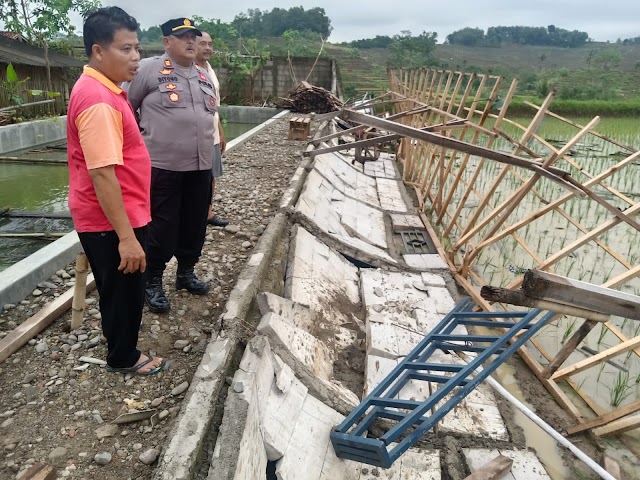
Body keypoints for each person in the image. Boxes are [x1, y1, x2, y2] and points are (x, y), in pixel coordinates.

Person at [67, 6, 164, 375]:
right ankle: (124, 357)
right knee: (125, 287)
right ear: (98, 51)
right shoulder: (100, 101)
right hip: (111, 217)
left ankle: (116, 340)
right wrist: (126, 237)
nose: (136, 57)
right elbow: (103, 175)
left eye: (137, 48)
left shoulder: (100, 89)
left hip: (112, 212)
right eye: (126, 49)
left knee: (117, 285)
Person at [125, 17, 216, 313]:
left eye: (193, 36)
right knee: (162, 226)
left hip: (201, 165)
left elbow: (210, 116)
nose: (191, 42)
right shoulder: (150, 70)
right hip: (162, 167)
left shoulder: (202, 74)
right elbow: (127, 109)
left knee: (195, 223)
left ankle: (186, 273)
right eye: (182, 37)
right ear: (167, 42)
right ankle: (152, 281)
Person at [195, 31, 229, 228]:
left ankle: (207, 212)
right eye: (203, 44)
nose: (208, 48)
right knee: (195, 175)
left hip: (213, 133)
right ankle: (192, 212)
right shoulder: (189, 70)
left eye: (210, 44)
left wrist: (221, 131)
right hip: (196, 135)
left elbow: (214, 106)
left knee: (211, 175)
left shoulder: (210, 69)